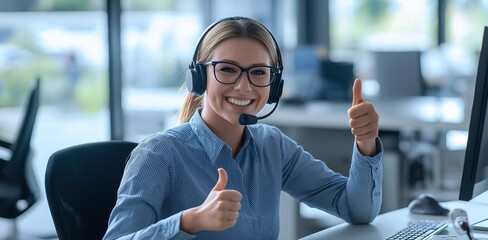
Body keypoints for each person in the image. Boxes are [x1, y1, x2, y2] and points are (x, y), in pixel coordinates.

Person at [103, 16, 383, 239]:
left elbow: (356, 209)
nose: (244, 86)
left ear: (274, 86)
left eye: (259, 72)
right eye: (227, 69)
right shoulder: (159, 154)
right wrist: (190, 221)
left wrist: (365, 143)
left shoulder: (273, 146)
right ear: (199, 78)